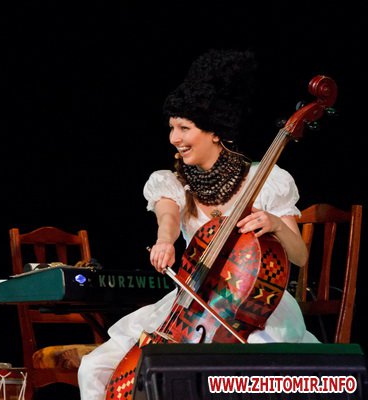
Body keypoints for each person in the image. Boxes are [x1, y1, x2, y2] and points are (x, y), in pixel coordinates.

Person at [78, 49, 319, 399]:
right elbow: (168, 218)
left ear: (215, 133)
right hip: (190, 308)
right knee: (94, 367)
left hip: (255, 308)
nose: (174, 138)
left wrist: (275, 225)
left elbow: (299, 256)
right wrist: (164, 241)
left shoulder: (266, 179)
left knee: (242, 371)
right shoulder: (173, 183)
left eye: (184, 128)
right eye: (171, 128)